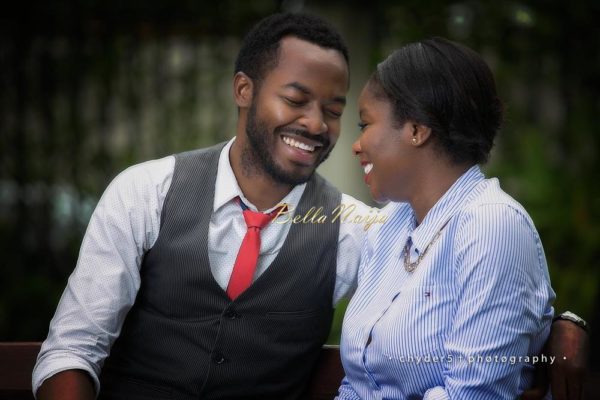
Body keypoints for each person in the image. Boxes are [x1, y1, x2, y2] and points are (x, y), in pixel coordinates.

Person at [32, 13, 587, 400]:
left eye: (338, 110)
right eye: (296, 99)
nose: (318, 126)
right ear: (244, 89)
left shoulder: (361, 229)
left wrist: (562, 325)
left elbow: (478, 291)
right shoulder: (144, 192)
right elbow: (71, 351)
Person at [337, 37, 571, 399]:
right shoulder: (392, 225)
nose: (356, 144)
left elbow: (474, 394)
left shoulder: (492, 227)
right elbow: (358, 384)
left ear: (416, 130)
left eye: (364, 124)